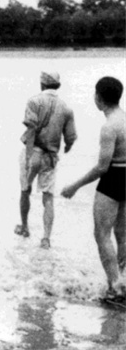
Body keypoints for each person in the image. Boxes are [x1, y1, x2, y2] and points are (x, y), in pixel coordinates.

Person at [61, 77, 125, 297]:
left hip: (113, 178)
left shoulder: (109, 127)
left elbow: (102, 167)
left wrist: (75, 186)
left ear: (98, 97)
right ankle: (122, 280)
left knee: (102, 234)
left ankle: (115, 286)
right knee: (122, 234)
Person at [15, 72, 77, 249]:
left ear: (42, 84)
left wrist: (29, 155)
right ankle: (46, 238)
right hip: (50, 156)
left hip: (33, 152)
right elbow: (71, 137)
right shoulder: (66, 108)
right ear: (58, 86)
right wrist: (66, 148)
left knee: (25, 190)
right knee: (48, 197)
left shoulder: (34, 101)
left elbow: (31, 129)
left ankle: (25, 227)